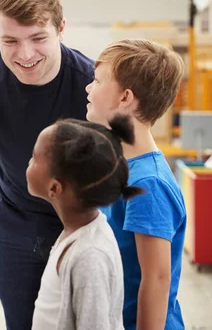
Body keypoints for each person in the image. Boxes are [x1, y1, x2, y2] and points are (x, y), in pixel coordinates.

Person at [0, 0, 94, 329]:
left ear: (61, 29)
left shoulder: (89, 84)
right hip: (13, 227)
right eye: (10, 41)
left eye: (38, 38)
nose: (25, 55)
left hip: (78, 227)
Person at [86, 39, 187, 330]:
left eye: (98, 80)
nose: (88, 88)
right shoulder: (123, 168)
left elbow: (156, 279)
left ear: (125, 97)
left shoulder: (148, 184)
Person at [26, 116, 144, 330]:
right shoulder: (76, 234)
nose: (29, 161)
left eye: (34, 158)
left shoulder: (90, 256)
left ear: (54, 188)